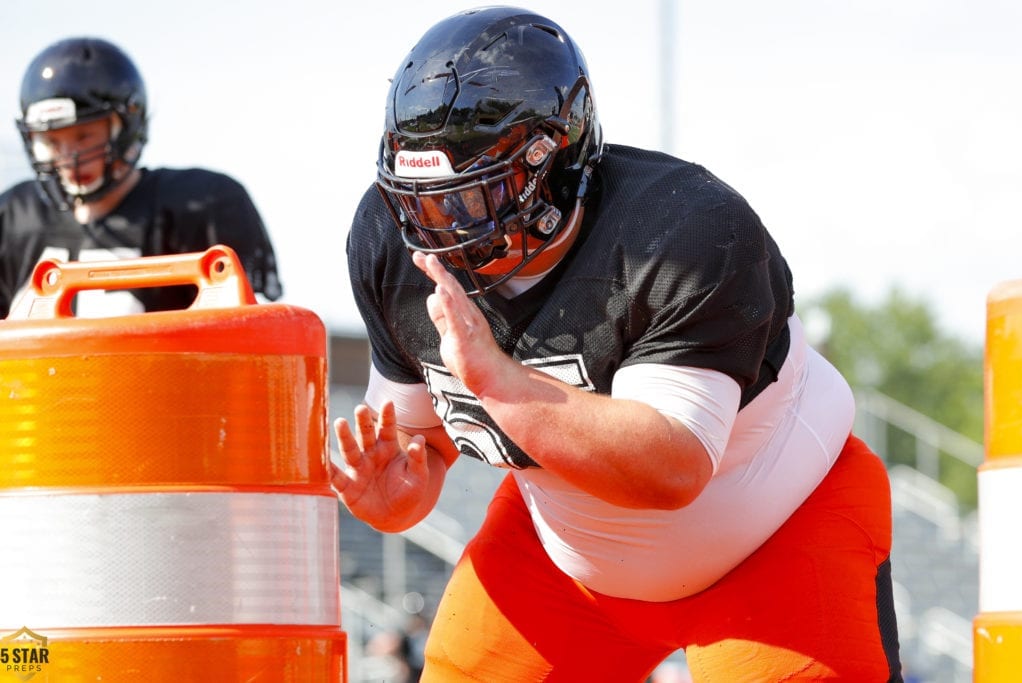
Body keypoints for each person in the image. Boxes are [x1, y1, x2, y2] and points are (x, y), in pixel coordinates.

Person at [334, 6, 902, 681]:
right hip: (567, 559)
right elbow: (422, 447)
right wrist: (392, 497)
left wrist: (499, 382)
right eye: (424, 204)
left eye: (476, 196)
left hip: (777, 538)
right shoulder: (390, 246)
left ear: (553, 162)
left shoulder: (683, 228)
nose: (444, 232)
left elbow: (671, 467)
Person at [0, 37, 281, 319]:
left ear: (126, 127)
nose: (68, 157)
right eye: (51, 141)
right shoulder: (14, 215)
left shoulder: (203, 202)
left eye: (84, 136)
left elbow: (244, 333)